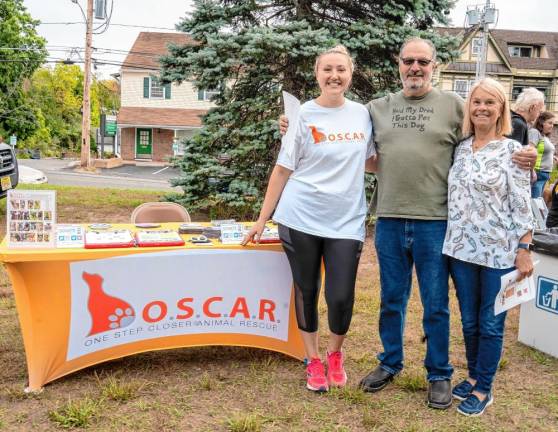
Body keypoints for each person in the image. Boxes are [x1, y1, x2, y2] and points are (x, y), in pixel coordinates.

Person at [280, 37, 537, 408]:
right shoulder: (376, 108)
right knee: (391, 300)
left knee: (434, 303)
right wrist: (292, 123)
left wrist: (525, 149)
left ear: (434, 65)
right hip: (388, 219)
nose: (415, 67)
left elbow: (491, 125)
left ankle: (438, 373)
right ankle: (390, 362)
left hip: (436, 223)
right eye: (408, 61)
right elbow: (336, 124)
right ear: (398, 64)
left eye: (423, 61)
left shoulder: (453, 105)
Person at [243, 45, 375, 393]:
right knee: (307, 290)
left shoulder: (362, 114)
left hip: (347, 220)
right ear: (317, 74)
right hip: (300, 216)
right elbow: (283, 168)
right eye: (327, 69)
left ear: (351, 73)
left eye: (341, 69)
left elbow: (372, 160)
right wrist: (262, 219)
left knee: (341, 295)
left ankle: (336, 354)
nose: (334, 75)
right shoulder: (302, 115)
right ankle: (313, 360)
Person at [443, 78, 534, 416]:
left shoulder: (514, 152)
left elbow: (522, 203)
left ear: (501, 110)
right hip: (461, 251)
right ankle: (474, 374)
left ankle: (484, 388)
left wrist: (525, 247)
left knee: (491, 323)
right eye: (476, 102)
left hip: (500, 252)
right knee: (468, 321)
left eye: (490, 103)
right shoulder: (461, 148)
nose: (482, 108)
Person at [530, 111, 555, 198]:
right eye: (550, 123)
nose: (552, 126)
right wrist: (532, 170)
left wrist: (553, 157)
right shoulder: (534, 132)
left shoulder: (545, 136)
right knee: (535, 204)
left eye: (553, 123)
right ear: (541, 122)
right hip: (538, 173)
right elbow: (530, 150)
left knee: (539, 204)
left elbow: (542, 151)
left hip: (545, 174)